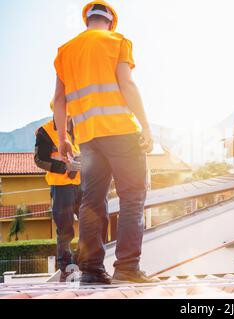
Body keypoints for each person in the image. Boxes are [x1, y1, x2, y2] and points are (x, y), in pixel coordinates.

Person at [53, 1, 154, 284]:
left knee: (92, 202)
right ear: (110, 22)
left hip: (87, 138)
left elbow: (59, 100)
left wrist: (63, 139)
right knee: (132, 196)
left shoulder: (65, 51)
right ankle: (127, 268)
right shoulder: (118, 41)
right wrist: (145, 125)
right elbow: (127, 84)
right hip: (121, 131)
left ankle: (92, 270)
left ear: (87, 20)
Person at [34, 101, 81, 282]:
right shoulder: (45, 131)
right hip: (60, 186)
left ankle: (80, 262)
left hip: (82, 183)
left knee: (90, 224)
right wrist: (64, 168)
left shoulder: (80, 130)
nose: (67, 115)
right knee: (65, 229)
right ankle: (67, 269)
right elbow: (39, 159)